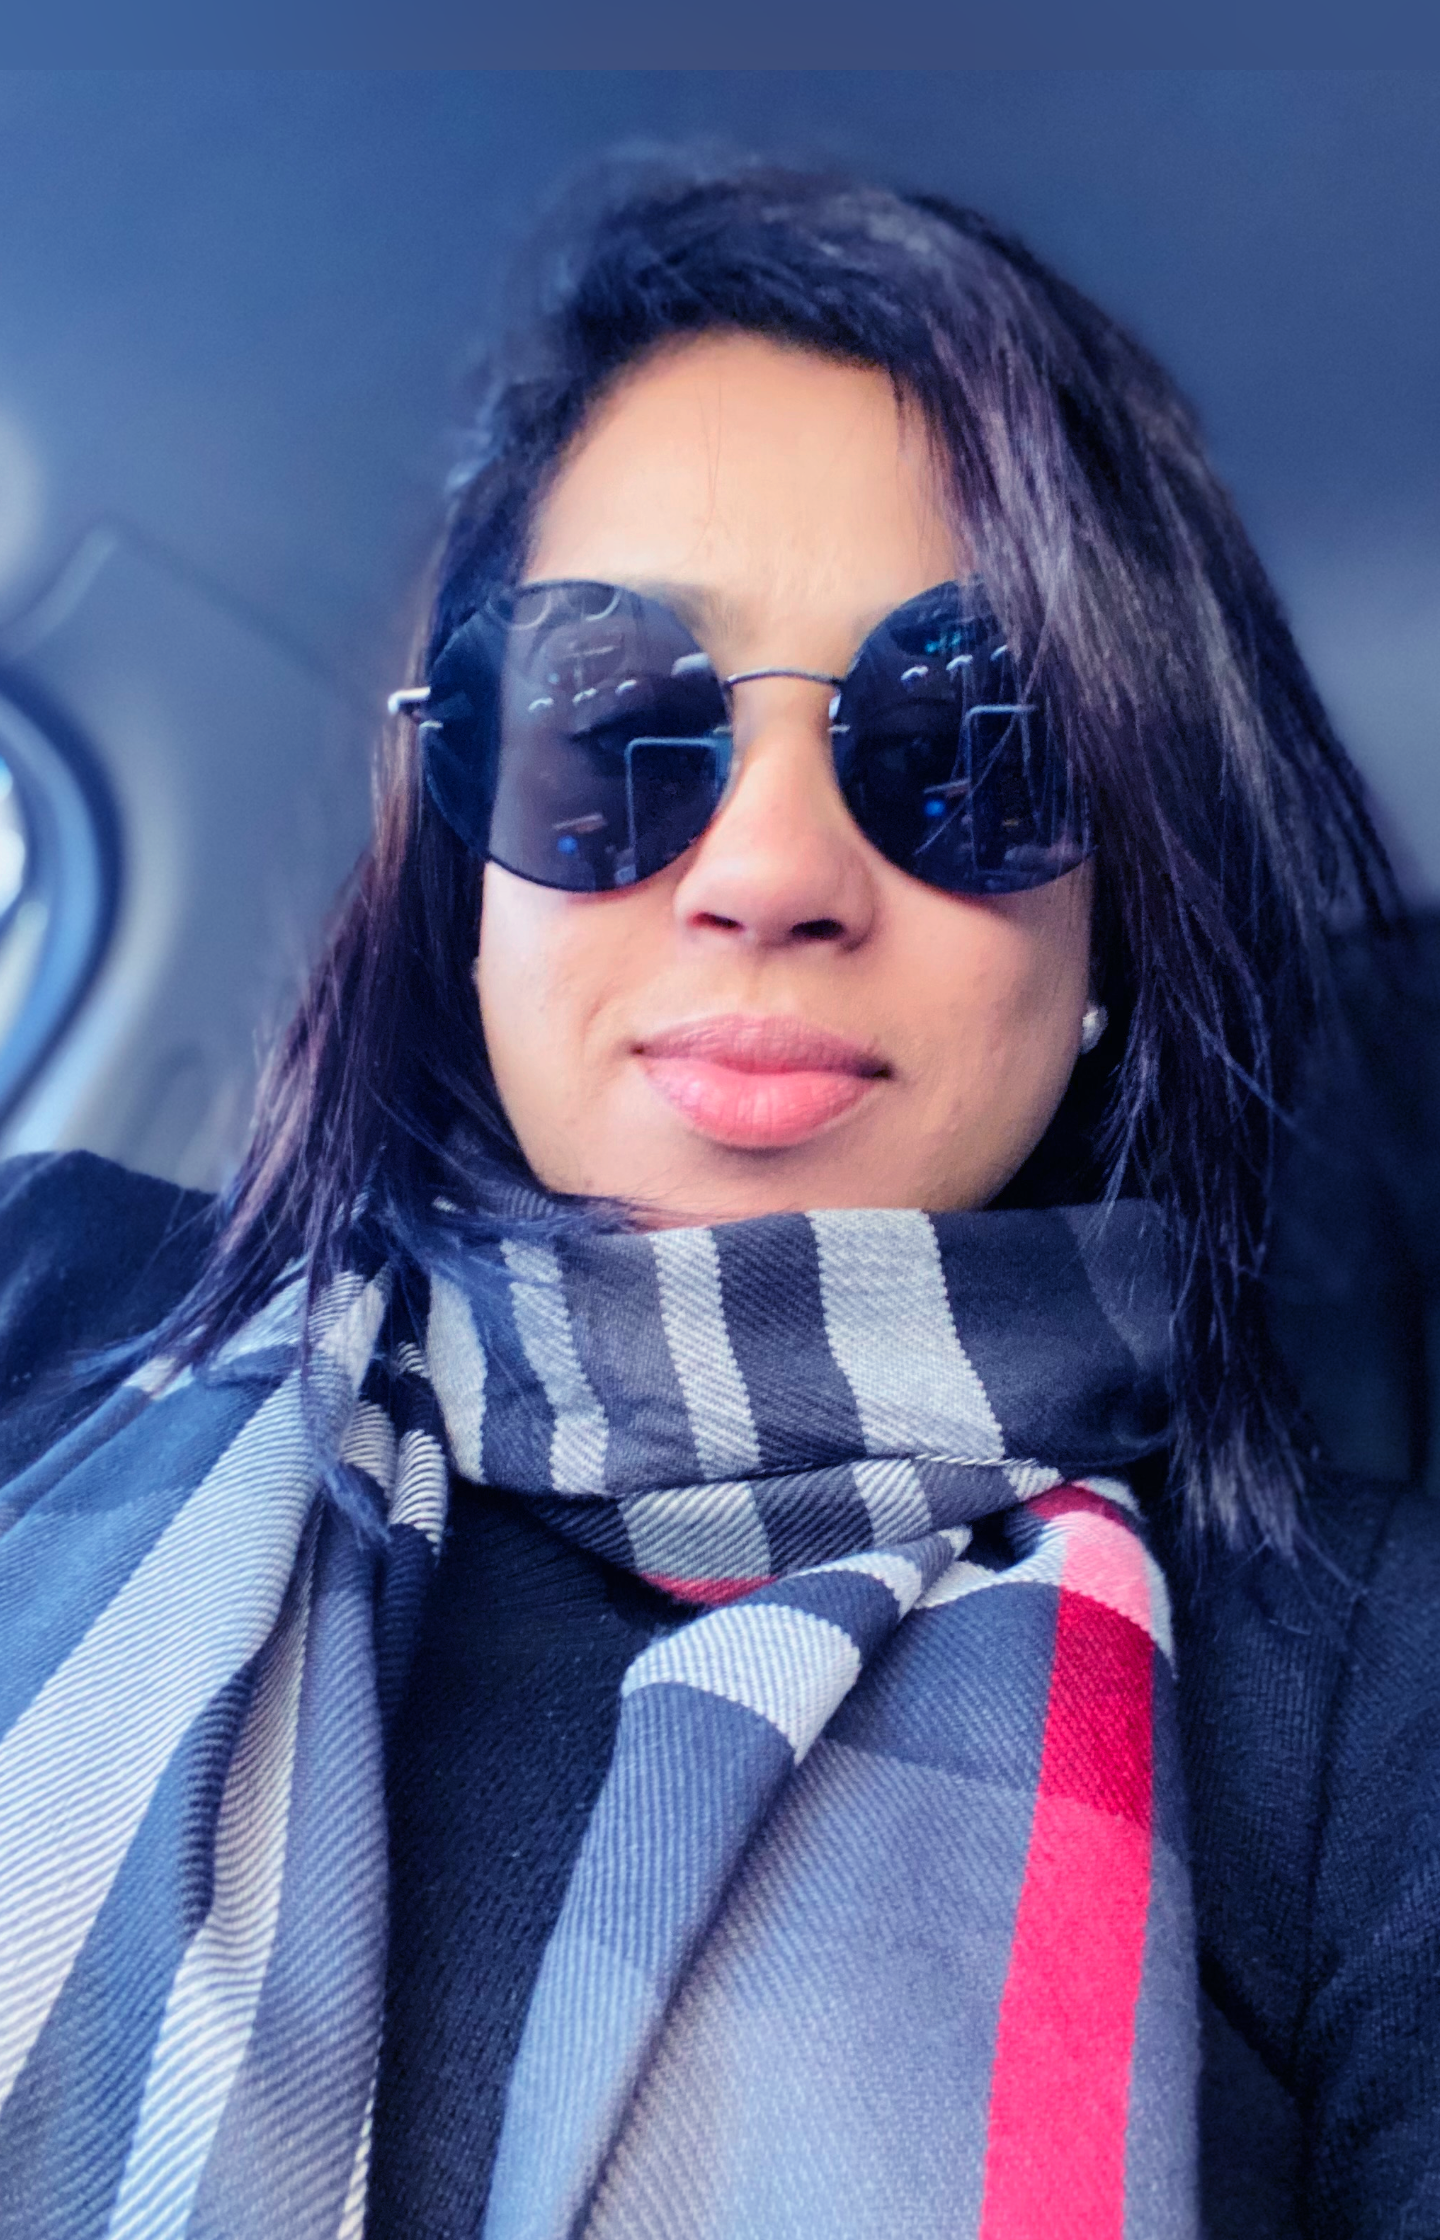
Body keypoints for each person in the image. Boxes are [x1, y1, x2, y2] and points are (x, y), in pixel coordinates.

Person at [0, 155, 1435, 2240]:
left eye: (969, 745)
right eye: (615, 724)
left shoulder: (1367, 1696)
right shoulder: (43, 1308)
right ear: (462, 862)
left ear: (1110, 922)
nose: (766, 872)